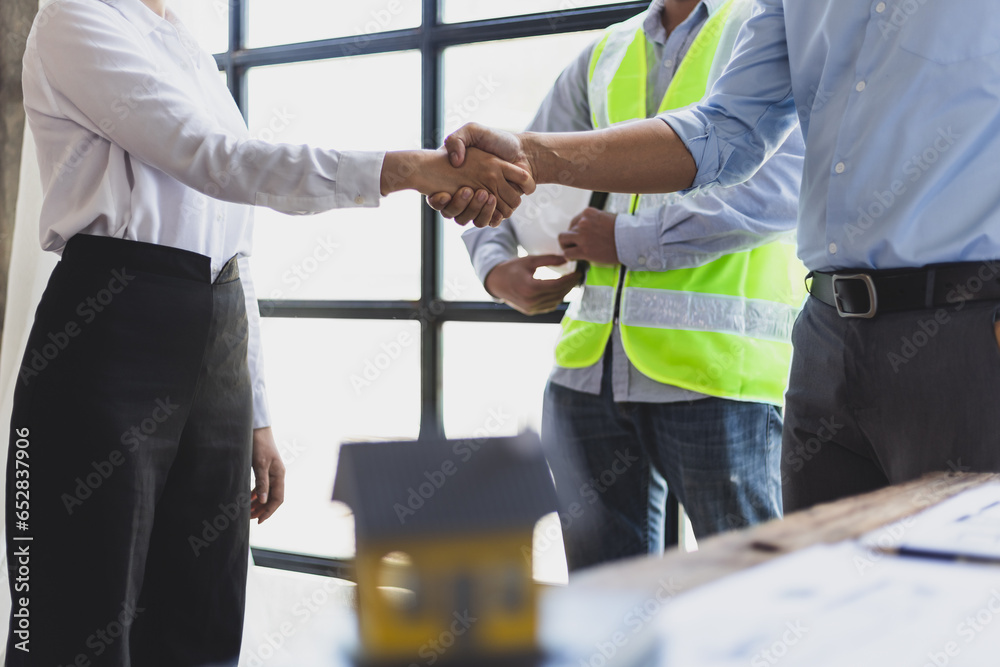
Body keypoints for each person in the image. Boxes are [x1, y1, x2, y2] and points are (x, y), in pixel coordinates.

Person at [5, 0, 531, 665]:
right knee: (77, 615)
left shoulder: (180, 39)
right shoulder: (75, 17)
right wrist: (407, 169)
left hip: (215, 331)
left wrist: (253, 410)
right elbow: (213, 157)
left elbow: (233, 234)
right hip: (112, 330)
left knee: (204, 611)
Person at [434, 0, 1000, 515]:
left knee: (966, 599)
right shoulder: (643, 41)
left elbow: (774, 187)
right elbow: (725, 134)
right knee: (815, 594)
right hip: (825, 336)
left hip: (962, 327)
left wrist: (629, 238)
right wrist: (530, 158)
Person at [459, 0, 805, 571]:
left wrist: (629, 239)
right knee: (606, 617)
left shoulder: (763, 25)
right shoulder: (607, 51)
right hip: (587, 378)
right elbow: (516, 168)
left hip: (717, 380)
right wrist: (494, 266)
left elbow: (778, 190)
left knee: (748, 600)